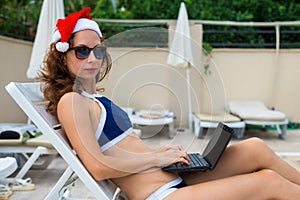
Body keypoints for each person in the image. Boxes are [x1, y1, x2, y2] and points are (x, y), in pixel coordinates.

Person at [40, 7, 300, 200]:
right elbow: (97, 167)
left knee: (255, 147)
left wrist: (160, 156)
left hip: (175, 178)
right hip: (162, 194)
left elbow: (121, 150)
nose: (93, 58)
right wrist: (155, 159)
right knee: (269, 182)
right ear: (63, 56)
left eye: (98, 50)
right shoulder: (71, 102)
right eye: (82, 51)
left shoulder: (89, 97)